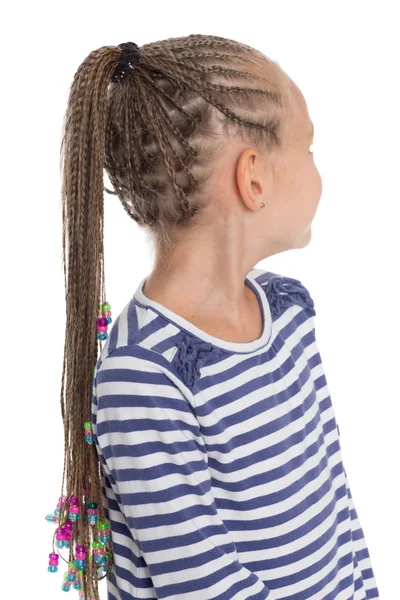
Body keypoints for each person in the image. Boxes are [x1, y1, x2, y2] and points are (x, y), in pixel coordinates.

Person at [50, 34, 380, 600]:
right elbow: (204, 584)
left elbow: (337, 504)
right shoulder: (144, 377)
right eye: (309, 148)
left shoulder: (289, 312)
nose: (317, 168)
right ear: (254, 178)